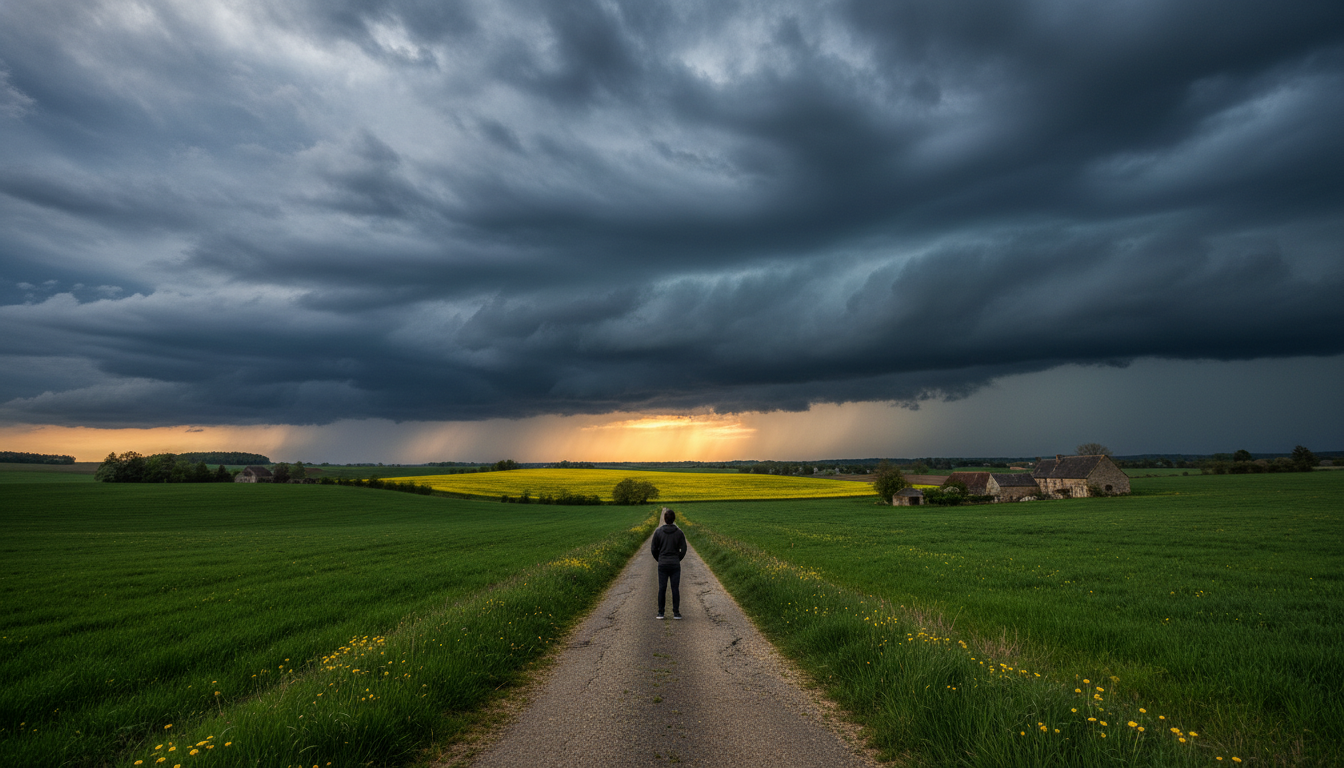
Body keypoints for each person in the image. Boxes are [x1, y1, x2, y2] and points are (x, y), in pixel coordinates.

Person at [651, 507, 687, 619]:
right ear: (674, 519)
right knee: (675, 588)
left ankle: (661, 613)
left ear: (665, 519)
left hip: (662, 564)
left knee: (662, 588)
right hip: (675, 564)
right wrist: (677, 558)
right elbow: (684, 549)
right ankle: (676, 613)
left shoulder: (658, 532)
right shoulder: (679, 533)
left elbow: (653, 549)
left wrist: (660, 559)